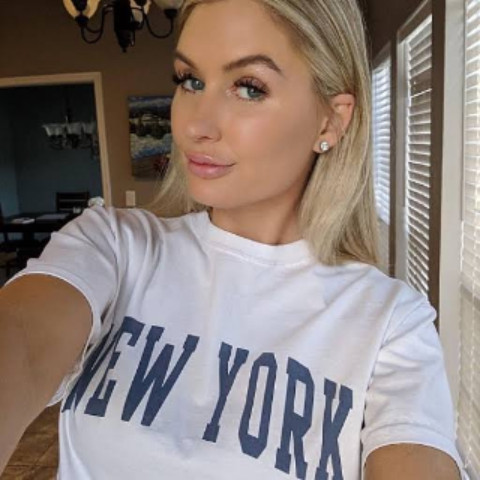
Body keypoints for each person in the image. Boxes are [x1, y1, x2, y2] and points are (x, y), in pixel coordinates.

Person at [0, 0, 466, 478]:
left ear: (330, 120)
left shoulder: (390, 323)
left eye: (248, 88)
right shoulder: (114, 247)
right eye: (190, 80)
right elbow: (22, 343)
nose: (195, 126)